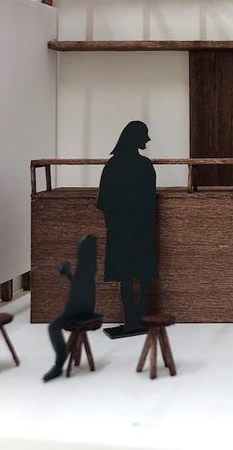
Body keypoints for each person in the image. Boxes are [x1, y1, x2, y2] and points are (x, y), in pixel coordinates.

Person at [96, 121, 157, 335]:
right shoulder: (145, 166)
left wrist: (116, 218)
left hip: (120, 229)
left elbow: (102, 201)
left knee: (126, 276)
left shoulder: (112, 166)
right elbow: (150, 201)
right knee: (143, 274)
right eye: (144, 135)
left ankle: (131, 320)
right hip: (141, 229)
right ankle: (136, 319)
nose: (148, 139)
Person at [43, 234, 99, 382]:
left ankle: (59, 363)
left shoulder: (85, 273)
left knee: (53, 327)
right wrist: (68, 275)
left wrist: (68, 274)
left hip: (77, 313)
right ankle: (60, 361)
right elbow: (78, 288)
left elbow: (78, 296)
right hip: (78, 311)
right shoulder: (87, 272)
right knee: (53, 327)